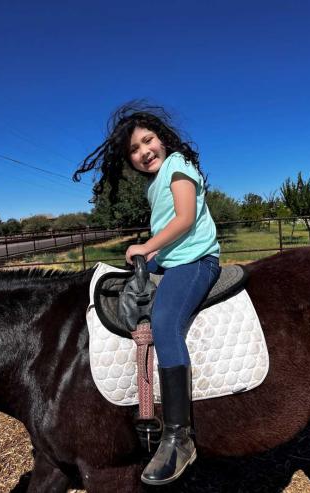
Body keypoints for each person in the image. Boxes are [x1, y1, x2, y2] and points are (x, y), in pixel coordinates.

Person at [74, 101, 221, 485]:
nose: (143, 152)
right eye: (134, 151)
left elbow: (186, 219)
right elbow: (168, 230)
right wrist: (151, 252)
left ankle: (179, 437)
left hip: (196, 260)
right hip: (172, 259)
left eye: (148, 140)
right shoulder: (154, 183)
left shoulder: (178, 166)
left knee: (165, 321)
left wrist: (147, 246)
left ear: (163, 139)